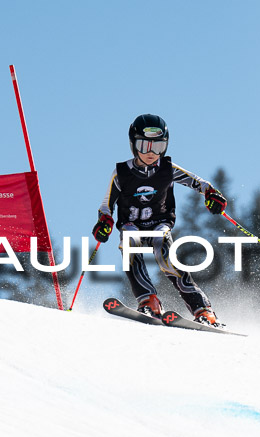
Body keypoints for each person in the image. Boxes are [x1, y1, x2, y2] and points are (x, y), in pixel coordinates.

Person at [92, 114, 227, 326]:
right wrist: (105, 222)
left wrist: (212, 194)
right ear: (133, 145)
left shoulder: (167, 169)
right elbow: (106, 204)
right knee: (129, 242)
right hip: (132, 225)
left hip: (159, 224)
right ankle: (148, 300)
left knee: (166, 256)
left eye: (158, 146)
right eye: (144, 146)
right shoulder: (121, 173)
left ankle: (203, 310)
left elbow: (198, 183)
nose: (151, 153)